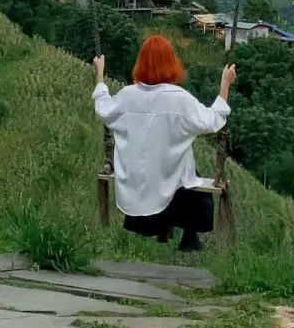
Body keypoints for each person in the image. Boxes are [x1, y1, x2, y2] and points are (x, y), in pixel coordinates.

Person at [92, 34, 236, 252]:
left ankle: (159, 228)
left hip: (135, 181)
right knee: (189, 179)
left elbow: (103, 108)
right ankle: (189, 235)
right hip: (171, 183)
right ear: (172, 63)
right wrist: (225, 84)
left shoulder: (127, 96)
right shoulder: (178, 98)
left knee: (168, 174)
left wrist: (100, 75)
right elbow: (213, 120)